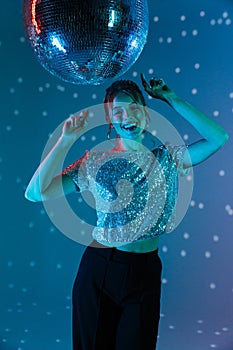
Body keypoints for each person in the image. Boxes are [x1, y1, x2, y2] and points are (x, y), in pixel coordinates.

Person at [24, 74, 228, 350]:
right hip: (100, 270)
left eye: (133, 107)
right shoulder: (94, 161)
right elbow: (34, 193)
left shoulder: (166, 159)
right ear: (111, 123)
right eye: (117, 111)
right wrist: (64, 141)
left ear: (145, 115)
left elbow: (219, 138)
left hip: (145, 271)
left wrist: (171, 98)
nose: (126, 115)